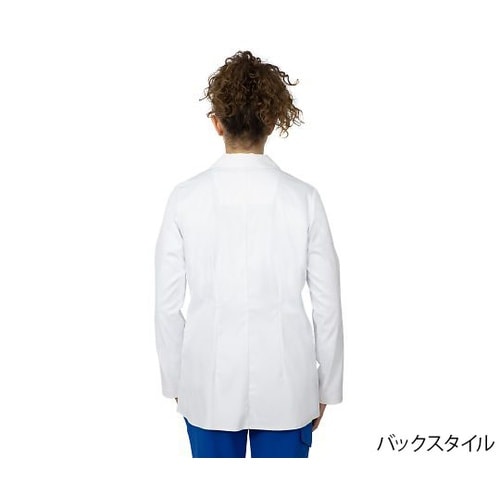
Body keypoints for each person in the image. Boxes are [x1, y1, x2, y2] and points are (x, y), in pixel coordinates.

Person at [154, 50, 344, 458]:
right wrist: (327, 386)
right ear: (272, 121)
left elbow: (167, 307)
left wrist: (176, 381)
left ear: (217, 122)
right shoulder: (304, 199)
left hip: (206, 385)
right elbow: (326, 305)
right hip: (288, 387)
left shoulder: (184, 199)